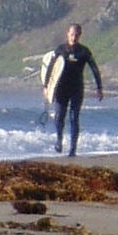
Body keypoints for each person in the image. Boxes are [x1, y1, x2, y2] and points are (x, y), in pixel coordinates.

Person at [43, 22, 103, 156]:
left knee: (74, 118)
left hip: (76, 89)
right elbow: (50, 68)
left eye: (76, 35)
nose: (74, 37)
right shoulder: (60, 50)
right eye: (71, 34)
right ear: (67, 34)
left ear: (80, 35)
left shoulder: (84, 51)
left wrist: (99, 88)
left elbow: (94, 69)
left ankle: (73, 149)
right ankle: (59, 141)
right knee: (59, 117)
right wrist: (46, 86)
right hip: (61, 89)